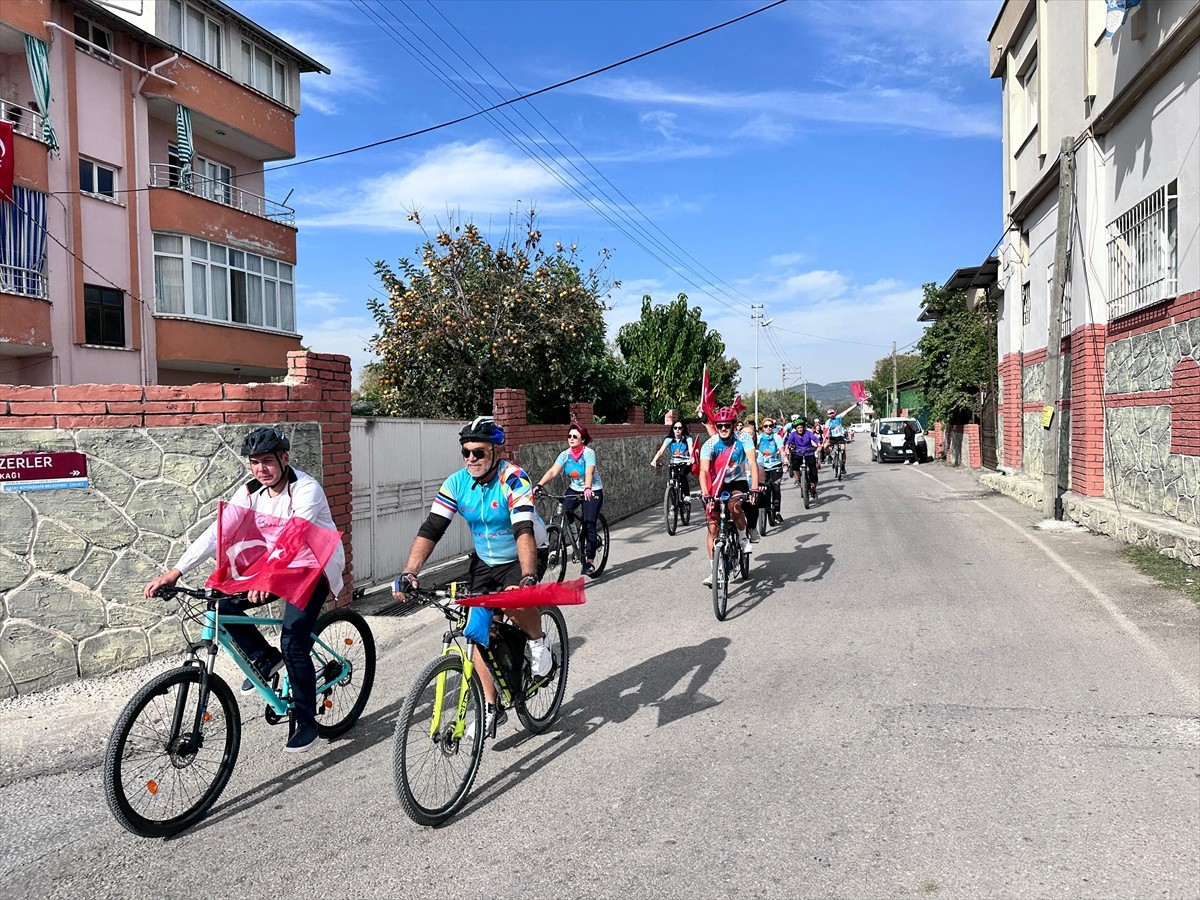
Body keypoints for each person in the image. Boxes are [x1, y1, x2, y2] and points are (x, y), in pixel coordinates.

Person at [143, 426, 346, 754]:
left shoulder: (306, 488)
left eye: (267, 461)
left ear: (284, 458)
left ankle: (307, 721)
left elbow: (294, 537)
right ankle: (264, 658)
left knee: (293, 641)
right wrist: (177, 571)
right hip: (276, 563)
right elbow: (216, 533)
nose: (260, 469)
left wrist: (268, 579)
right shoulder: (250, 491)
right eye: (254, 462)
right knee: (220, 604)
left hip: (315, 564)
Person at [393, 416, 551, 739]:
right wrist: (410, 572)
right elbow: (432, 529)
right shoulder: (456, 483)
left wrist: (527, 577)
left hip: (524, 554)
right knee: (476, 628)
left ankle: (538, 641)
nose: (470, 459)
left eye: (478, 452)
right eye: (465, 452)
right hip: (485, 560)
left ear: (495, 450)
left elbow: (523, 529)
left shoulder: (514, 478)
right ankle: (490, 707)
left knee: (512, 601)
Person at [698, 406, 760, 587]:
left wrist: (754, 488)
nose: (723, 429)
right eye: (719, 426)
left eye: (727, 425)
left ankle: (742, 538)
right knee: (712, 527)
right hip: (717, 484)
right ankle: (714, 571)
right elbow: (703, 471)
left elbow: (752, 463)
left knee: (734, 505)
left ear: (733, 425)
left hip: (737, 481)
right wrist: (705, 494)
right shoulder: (710, 444)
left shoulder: (744, 439)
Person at [535, 423, 604, 576]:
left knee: (589, 523)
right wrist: (539, 485)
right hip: (574, 489)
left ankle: (589, 561)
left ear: (583, 439)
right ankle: (576, 538)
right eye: (569, 436)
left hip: (592, 489)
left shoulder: (588, 453)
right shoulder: (565, 454)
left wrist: (587, 488)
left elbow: (589, 471)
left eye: (575, 436)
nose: (571, 439)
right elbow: (553, 471)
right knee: (563, 509)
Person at [651, 418, 695, 499]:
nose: (677, 430)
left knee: (682, 474)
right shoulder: (669, 439)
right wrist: (654, 460)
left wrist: (691, 458)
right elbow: (661, 451)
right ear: (672, 429)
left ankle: (687, 495)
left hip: (685, 462)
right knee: (672, 481)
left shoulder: (688, 439)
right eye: (675, 428)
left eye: (680, 428)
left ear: (683, 429)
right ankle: (673, 504)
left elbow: (691, 448)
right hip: (674, 463)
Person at [755, 417, 786, 524]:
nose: (768, 428)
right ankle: (763, 509)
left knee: (776, 487)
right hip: (762, 467)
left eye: (770, 426)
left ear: (773, 427)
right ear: (762, 428)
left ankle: (777, 512)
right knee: (762, 489)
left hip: (775, 466)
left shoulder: (776, 437)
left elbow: (782, 450)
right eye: (765, 426)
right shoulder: (758, 438)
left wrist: (785, 459)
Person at [784, 416, 821, 497]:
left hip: (809, 453)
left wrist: (819, 446)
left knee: (814, 473)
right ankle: (797, 479)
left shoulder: (808, 433)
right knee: (794, 465)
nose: (800, 429)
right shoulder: (793, 434)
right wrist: (786, 449)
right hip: (798, 453)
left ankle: (814, 489)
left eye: (801, 427)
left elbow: (815, 439)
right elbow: (788, 442)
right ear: (795, 428)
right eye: (798, 428)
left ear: (803, 427)